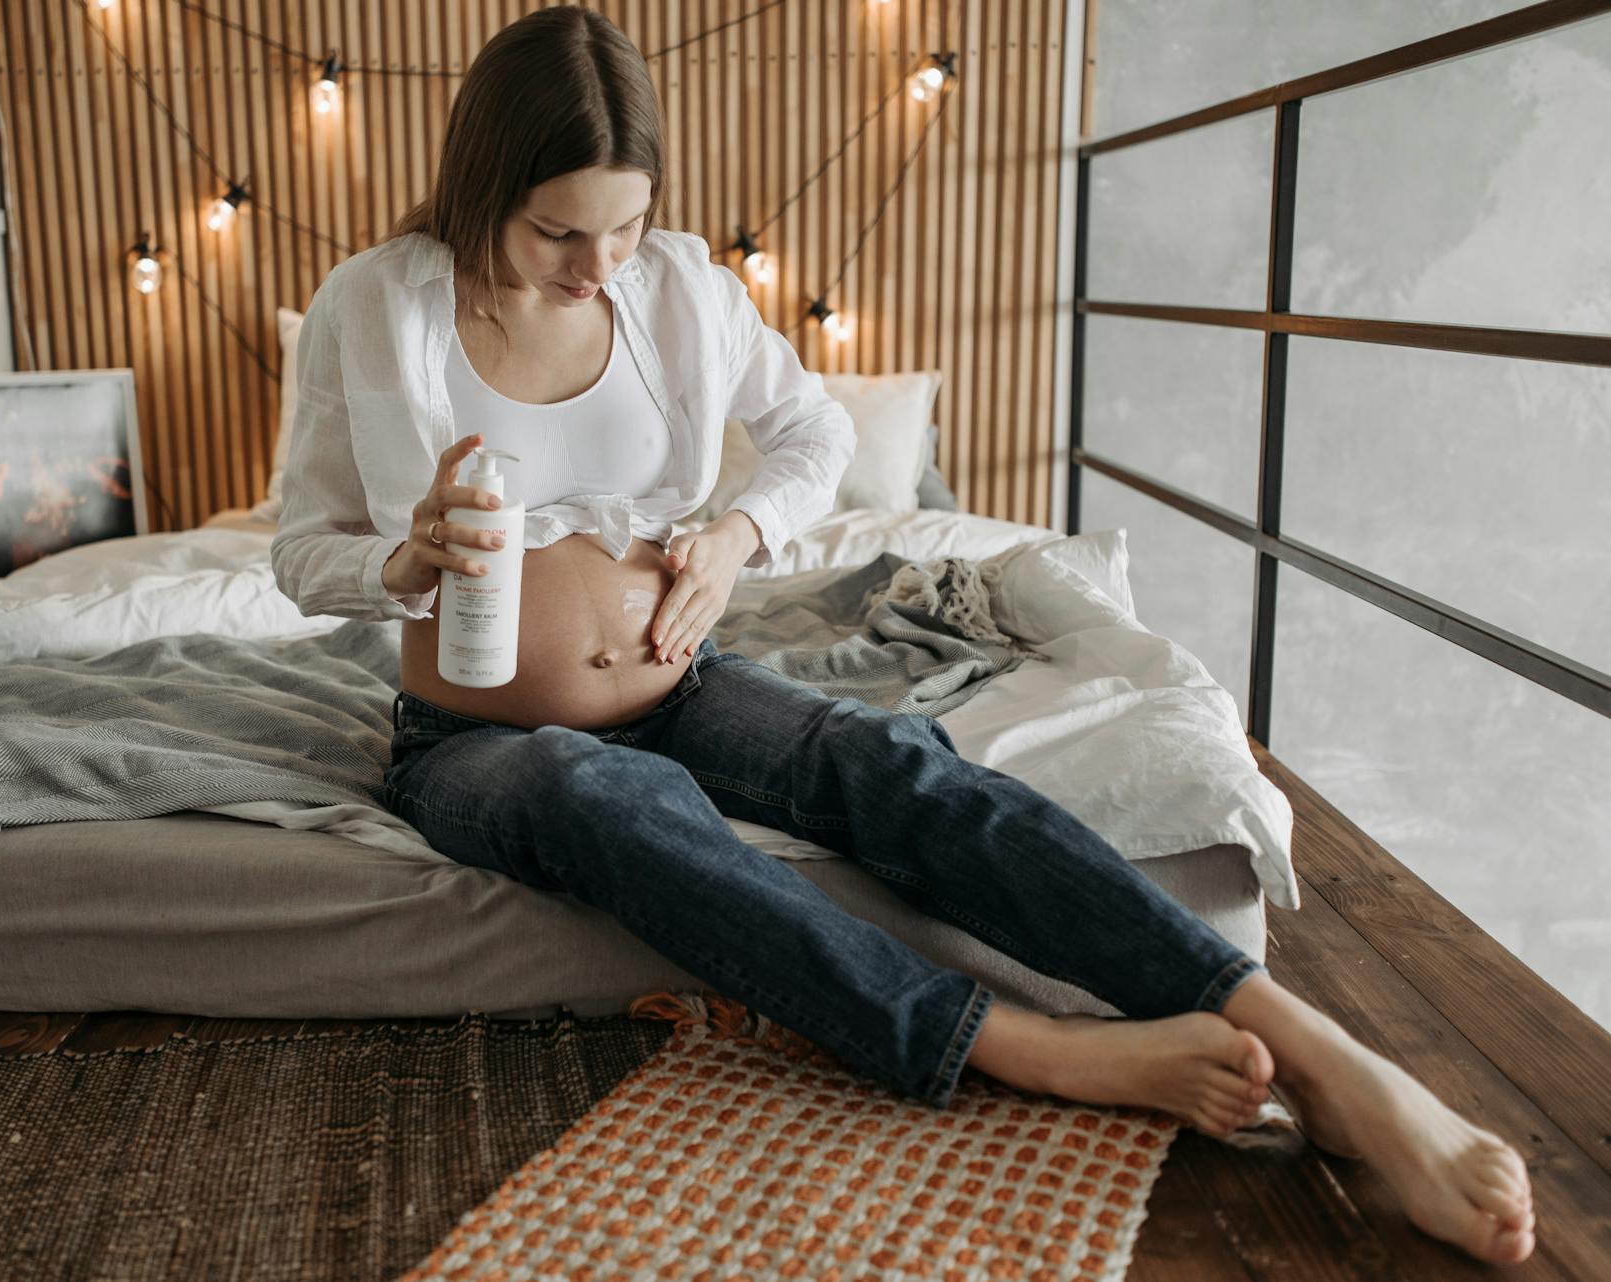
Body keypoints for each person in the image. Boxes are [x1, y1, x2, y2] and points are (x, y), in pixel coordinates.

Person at [271, 5, 1534, 1265]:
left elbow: (815, 436)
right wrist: (403, 559)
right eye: (559, 231)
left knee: (892, 762)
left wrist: (735, 538)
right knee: (597, 791)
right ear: (485, 186)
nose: (599, 266)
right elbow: (297, 553)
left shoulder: (685, 293)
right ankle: (1029, 1046)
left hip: (679, 674)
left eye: (628, 226)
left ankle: (1327, 1056)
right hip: (474, 738)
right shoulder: (376, 307)